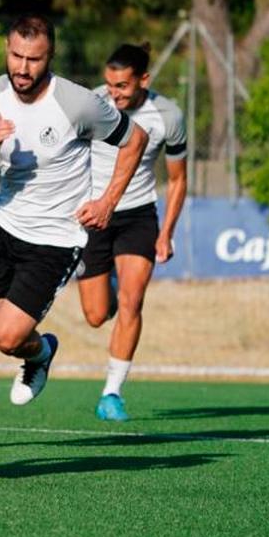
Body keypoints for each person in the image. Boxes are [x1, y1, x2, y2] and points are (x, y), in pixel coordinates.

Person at [0, 14, 147, 449]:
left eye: (33, 59)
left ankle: (42, 352)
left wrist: (107, 201)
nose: (23, 67)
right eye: (16, 56)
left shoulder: (77, 103)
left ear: (49, 58)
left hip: (56, 238)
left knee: (9, 336)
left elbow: (136, 140)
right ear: (7, 51)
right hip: (5, 225)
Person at [76, 43, 187, 421]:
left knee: (132, 300)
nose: (114, 93)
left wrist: (166, 232)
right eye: (109, 84)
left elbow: (177, 179)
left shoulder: (167, 115)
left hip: (138, 215)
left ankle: (112, 393)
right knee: (95, 314)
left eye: (122, 86)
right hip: (93, 216)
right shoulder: (92, 102)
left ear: (144, 79)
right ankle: (107, 285)